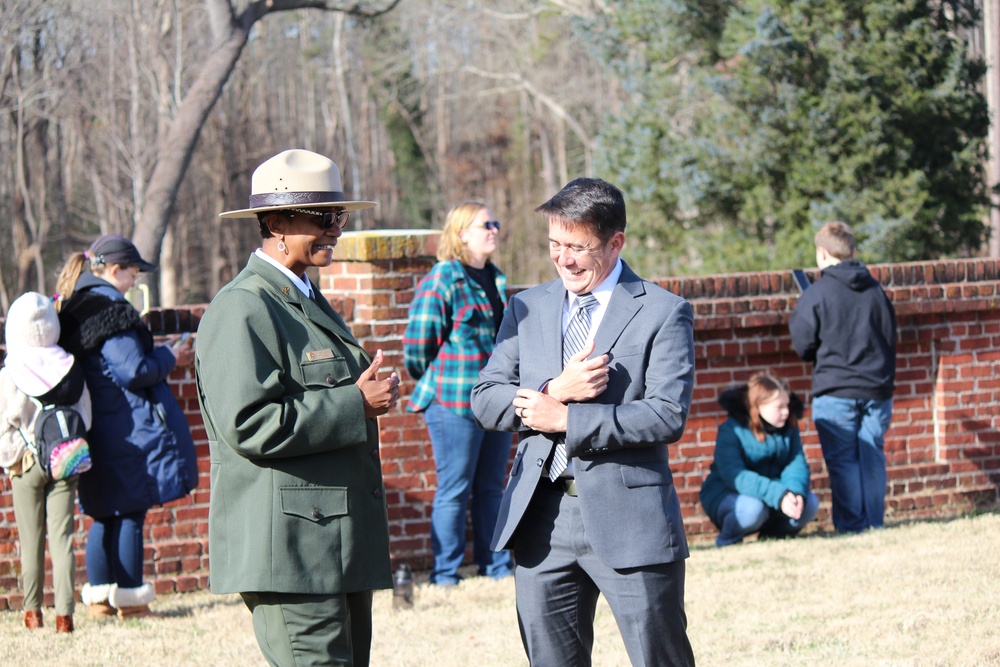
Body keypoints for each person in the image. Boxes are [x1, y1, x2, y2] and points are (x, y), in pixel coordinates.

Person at [472, 177, 696, 667]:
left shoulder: (662, 311)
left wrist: (570, 420)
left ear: (616, 242)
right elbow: (485, 399)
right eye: (555, 244)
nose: (564, 259)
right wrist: (553, 392)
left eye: (578, 247)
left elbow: (667, 414)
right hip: (541, 523)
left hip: (630, 523)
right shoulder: (527, 306)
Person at [195, 149, 400, 667]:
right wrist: (355, 403)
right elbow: (249, 423)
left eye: (341, 216)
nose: (335, 229)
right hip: (291, 552)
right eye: (322, 217)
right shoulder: (243, 306)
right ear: (277, 223)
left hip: (330, 545)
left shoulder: (303, 294)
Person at [54, 234, 199, 620]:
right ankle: (132, 603)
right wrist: (170, 355)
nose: (136, 281)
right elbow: (132, 369)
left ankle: (101, 601)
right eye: (133, 273)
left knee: (105, 511)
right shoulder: (109, 309)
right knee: (131, 509)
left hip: (96, 423)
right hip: (126, 424)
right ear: (115, 270)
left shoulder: (75, 302)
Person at [403, 200, 514, 587]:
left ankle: (496, 565)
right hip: (452, 402)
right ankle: (445, 573)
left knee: (491, 487)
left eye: (495, 223)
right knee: (454, 488)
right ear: (461, 233)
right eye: (486, 224)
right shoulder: (443, 278)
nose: (494, 230)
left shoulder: (496, 280)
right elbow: (416, 349)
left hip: (496, 402)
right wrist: (444, 375)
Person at [789, 221, 896, 533]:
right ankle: (874, 523)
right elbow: (890, 338)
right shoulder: (877, 290)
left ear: (822, 252)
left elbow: (803, 345)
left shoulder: (818, 292)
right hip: (877, 388)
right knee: (871, 455)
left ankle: (852, 526)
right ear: (852, 250)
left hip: (836, 389)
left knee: (844, 461)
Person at [0, 292, 92, 633]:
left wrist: (13, 458)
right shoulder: (69, 365)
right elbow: (86, 416)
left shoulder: (11, 371)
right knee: (63, 537)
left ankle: (32, 613)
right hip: (64, 457)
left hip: (25, 463)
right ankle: (65, 617)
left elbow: (1, 425)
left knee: (31, 539)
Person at [699, 372, 819, 547]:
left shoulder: (789, 427)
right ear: (758, 406)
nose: (786, 412)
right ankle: (728, 539)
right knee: (753, 510)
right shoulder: (731, 430)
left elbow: (796, 463)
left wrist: (794, 492)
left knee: (809, 504)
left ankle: (772, 537)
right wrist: (779, 495)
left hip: (772, 494)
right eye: (779, 407)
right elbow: (735, 475)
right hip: (728, 494)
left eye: (787, 405)